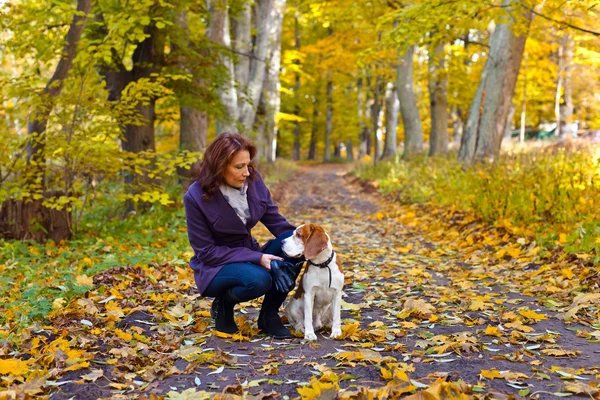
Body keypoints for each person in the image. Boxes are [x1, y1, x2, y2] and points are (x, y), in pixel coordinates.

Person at [183, 133, 303, 338]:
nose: (246, 172)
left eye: (247, 165)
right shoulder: (196, 196)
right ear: (219, 167)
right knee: (260, 280)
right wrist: (257, 258)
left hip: (247, 253)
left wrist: (306, 242)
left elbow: (275, 220)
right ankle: (224, 304)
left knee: (297, 247)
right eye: (239, 167)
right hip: (216, 265)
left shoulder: (253, 181)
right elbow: (206, 252)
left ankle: (269, 315)